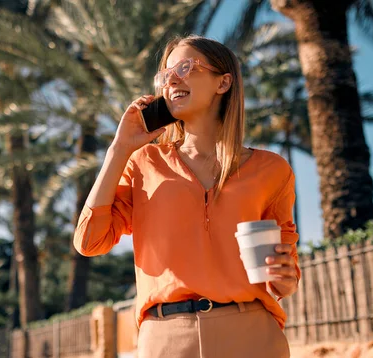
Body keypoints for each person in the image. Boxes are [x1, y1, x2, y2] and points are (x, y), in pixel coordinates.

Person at [73, 35, 300, 358]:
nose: (172, 79)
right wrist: (119, 149)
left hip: (252, 335)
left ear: (223, 83)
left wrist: (286, 277)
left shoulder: (272, 170)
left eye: (185, 67)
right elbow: (89, 241)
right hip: (165, 338)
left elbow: (285, 279)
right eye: (166, 74)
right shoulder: (142, 163)